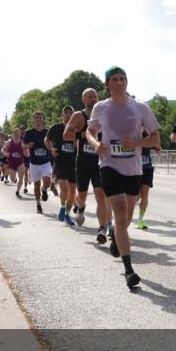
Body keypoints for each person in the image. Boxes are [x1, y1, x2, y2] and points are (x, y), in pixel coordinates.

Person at [86, 66, 161, 288]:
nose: (119, 82)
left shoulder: (140, 108)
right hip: (109, 165)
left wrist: (136, 143)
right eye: (114, 79)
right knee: (119, 213)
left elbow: (156, 140)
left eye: (122, 78)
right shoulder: (100, 108)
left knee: (126, 218)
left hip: (133, 168)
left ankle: (118, 242)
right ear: (107, 84)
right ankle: (129, 270)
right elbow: (90, 131)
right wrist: (96, 143)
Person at [66, 88, 113, 241]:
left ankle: (102, 228)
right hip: (83, 163)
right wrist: (80, 133)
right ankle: (81, 206)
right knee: (81, 195)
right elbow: (66, 134)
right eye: (89, 97)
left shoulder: (104, 113)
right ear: (83, 99)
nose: (93, 99)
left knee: (101, 195)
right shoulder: (79, 115)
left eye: (95, 96)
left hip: (100, 162)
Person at [46, 106, 77, 226]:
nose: (68, 115)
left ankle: (68, 214)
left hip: (74, 162)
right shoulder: (55, 127)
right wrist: (51, 149)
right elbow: (46, 140)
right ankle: (62, 207)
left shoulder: (76, 128)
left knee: (73, 191)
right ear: (62, 114)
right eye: (66, 113)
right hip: (60, 162)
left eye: (70, 113)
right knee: (64, 188)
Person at [23, 112, 52, 214]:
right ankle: (38, 204)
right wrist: (28, 146)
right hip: (34, 162)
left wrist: (51, 147)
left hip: (45, 161)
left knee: (47, 181)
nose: (38, 119)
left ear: (43, 119)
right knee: (36, 184)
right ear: (33, 119)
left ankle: (44, 189)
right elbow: (23, 146)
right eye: (36, 117)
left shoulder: (47, 131)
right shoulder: (29, 132)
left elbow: (52, 143)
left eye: (40, 117)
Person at [135, 133, 158, 230]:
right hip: (134, 167)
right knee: (136, 196)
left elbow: (157, 143)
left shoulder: (149, 131)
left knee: (145, 194)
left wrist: (158, 147)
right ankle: (123, 213)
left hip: (147, 167)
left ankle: (140, 219)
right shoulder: (133, 128)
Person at [4, 129, 28, 197]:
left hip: (20, 162)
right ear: (13, 133)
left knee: (21, 177)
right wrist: (6, 154)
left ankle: (17, 191)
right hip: (12, 162)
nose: (17, 134)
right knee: (12, 179)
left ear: (20, 134)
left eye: (18, 133)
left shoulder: (23, 142)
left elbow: (26, 152)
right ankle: (14, 180)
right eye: (15, 133)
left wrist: (26, 154)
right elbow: (3, 149)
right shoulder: (10, 141)